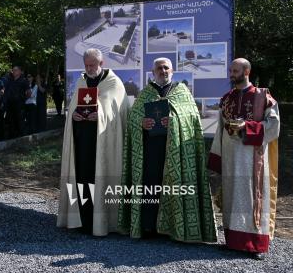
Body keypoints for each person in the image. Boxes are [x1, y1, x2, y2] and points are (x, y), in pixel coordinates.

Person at [118, 57, 217, 243]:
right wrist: (141, 123)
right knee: (149, 185)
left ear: (172, 71)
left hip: (177, 151)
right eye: (159, 68)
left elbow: (192, 120)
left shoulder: (182, 92)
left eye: (166, 68)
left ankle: (174, 228)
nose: (163, 71)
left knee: (175, 186)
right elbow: (132, 120)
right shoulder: (146, 93)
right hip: (151, 150)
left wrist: (175, 121)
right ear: (153, 72)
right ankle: (148, 226)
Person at [208, 58, 280, 260]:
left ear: (247, 71)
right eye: (230, 70)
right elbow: (220, 130)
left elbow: (274, 127)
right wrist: (216, 158)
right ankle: (233, 242)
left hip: (252, 158)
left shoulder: (263, 97)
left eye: (235, 70)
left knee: (252, 199)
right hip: (231, 156)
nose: (231, 74)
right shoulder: (227, 98)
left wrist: (247, 127)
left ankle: (254, 245)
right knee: (232, 198)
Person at [57, 48, 129, 235]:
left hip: (103, 143)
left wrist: (101, 115)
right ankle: (82, 218)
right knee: (81, 177)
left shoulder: (114, 83)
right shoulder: (82, 81)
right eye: (86, 65)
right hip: (82, 142)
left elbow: (116, 111)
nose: (89, 69)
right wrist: (74, 116)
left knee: (100, 178)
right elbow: (75, 107)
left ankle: (102, 221)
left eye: (92, 65)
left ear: (101, 63)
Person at [4, 66, 29, 139]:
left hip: (19, 105)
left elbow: (29, 92)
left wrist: (23, 99)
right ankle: (12, 138)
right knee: (11, 121)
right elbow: (6, 91)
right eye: (13, 70)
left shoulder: (24, 81)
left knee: (20, 121)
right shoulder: (10, 81)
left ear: (20, 71)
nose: (14, 71)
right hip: (10, 105)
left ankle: (22, 138)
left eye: (16, 70)